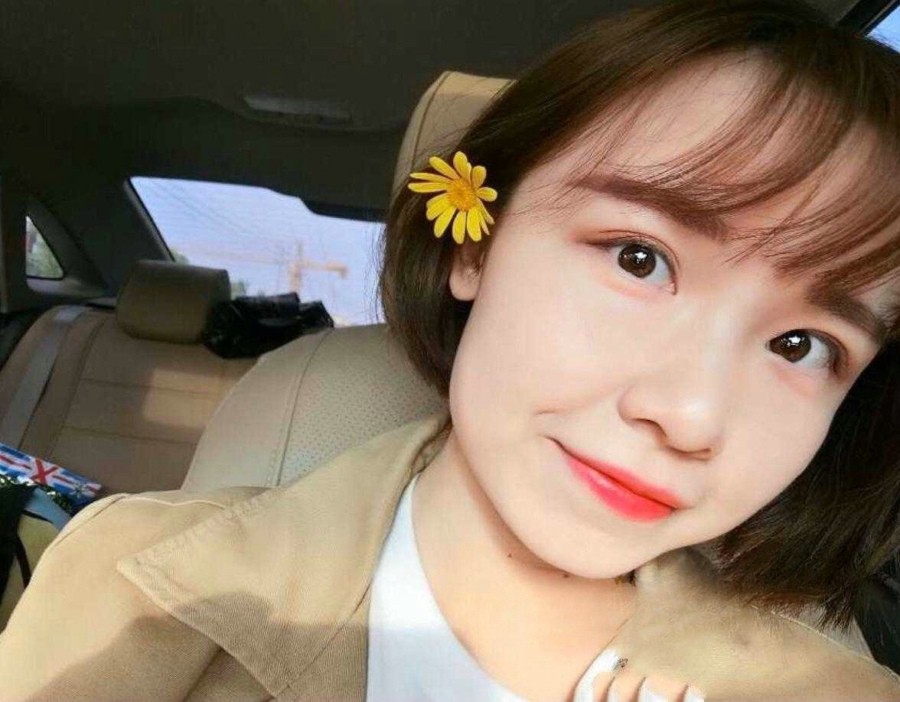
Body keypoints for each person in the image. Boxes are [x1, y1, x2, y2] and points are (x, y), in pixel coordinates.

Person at [3, 0, 900, 699]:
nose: (692, 416)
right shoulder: (125, 583)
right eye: (639, 258)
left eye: (801, 345)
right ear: (475, 247)